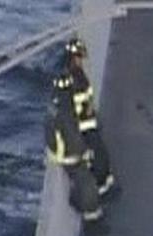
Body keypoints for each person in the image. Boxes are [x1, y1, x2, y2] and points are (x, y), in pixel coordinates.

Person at [64, 38, 119, 201]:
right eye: (79, 57)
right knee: (97, 157)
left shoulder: (76, 76)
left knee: (99, 155)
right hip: (83, 126)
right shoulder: (74, 79)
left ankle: (102, 184)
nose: (81, 60)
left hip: (86, 123)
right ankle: (98, 190)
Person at [45, 73, 101, 220]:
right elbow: (72, 135)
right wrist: (83, 151)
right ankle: (91, 214)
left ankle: (84, 205)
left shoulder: (55, 108)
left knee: (80, 179)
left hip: (64, 154)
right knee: (85, 181)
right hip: (71, 155)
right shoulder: (65, 110)